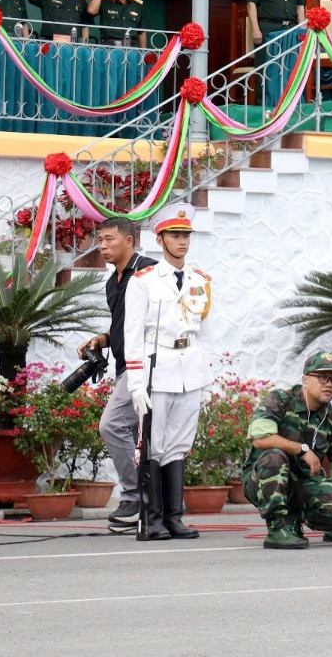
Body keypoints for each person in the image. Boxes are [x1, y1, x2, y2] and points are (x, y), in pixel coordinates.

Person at [123, 203, 216, 541]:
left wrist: (208, 371)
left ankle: (175, 518)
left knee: (179, 443)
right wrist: (135, 382)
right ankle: (153, 519)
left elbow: (205, 332)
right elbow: (131, 335)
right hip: (156, 367)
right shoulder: (144, 281)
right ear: (160, 239)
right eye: (175, 235)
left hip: (189, 366)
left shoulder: (200, 281)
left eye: (186, 235)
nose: (182, 242)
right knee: (153, 444)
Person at [245, 351, 332, 549]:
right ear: (305, 379)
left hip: (303, 482)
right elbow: (261, 439)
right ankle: (277, 528)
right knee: (275, 456)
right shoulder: (280, 399)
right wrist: (302, 449)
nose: (329, 384)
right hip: (262, 478)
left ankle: (294, 518)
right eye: (322, 377)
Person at [77, 217, 156, 534]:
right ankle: (148, 504)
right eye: (99, 240)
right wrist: (102, 339)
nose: (103, 246)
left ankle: (133, 497)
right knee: (145, 437)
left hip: (148, 366)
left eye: (109, 239)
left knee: (112, 425)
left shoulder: (150, 272)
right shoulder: (113, 281)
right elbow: (124, 324)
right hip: (125, 366)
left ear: (130, 241)